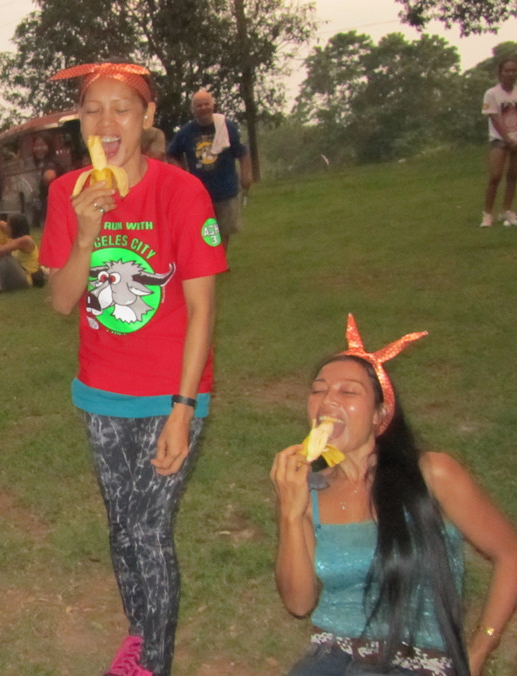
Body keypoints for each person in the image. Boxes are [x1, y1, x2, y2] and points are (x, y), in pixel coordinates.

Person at [41, 62, 228, 676]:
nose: (107, 122)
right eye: (93, 110)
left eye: (121, 108)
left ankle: (152, 663)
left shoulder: (182, 192)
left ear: (147, 117)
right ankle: (139, 635)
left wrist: (183, 408)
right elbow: (61, 301)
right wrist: (86, 233)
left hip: (171, 394)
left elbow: (201, 310)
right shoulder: (67, 194)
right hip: (102, 393)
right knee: (122, 526)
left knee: (148, 528)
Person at [271, 315, 517, 676]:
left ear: (380, 414)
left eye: (348, 392)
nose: (327, 401)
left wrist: (478, 651)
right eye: (319, 390)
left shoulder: (432, 474)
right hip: (331, 659)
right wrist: (291, 514)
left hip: (418, 664)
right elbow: (298, 603)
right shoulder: (308, 491)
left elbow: (510, 554)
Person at [166, 89, 253, 248]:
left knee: (225, 231)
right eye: (199, 106)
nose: (203, 108)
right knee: (205, 233)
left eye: (206, 104)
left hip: (226, 190)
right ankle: (211, 259)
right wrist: (182, 173)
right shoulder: (186, 132)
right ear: (193, 109)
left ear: (213, 105)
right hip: (200, 193)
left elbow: (242, 152)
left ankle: (221, 259)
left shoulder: (226, 127)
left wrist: (246, 175)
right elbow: (171, 154)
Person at [480, 56, 517, 228]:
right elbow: (494, 118)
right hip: (499, 139)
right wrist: (508, 140)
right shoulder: (491, 94)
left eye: (513, 71)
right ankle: (487, 214)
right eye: (507, 71)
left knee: (513, 175)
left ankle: (506, 210)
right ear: (500, 73)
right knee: (495, 176)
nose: (510, 74)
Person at [0, 213, 41, 294]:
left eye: (8, 225)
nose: (5, 226)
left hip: (27, 279)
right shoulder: (14, 241)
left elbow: (1, 251)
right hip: (18, 275)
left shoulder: (25, 240)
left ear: (14, 227)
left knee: (2, 255)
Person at [32, 133, 63, 227]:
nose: (38, 149)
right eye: (36, 145)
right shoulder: (42, 163)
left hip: (55, 207)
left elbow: (50, 176)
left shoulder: (51, 162)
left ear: (49, 146)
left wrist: (43, 180)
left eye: (42, 145)